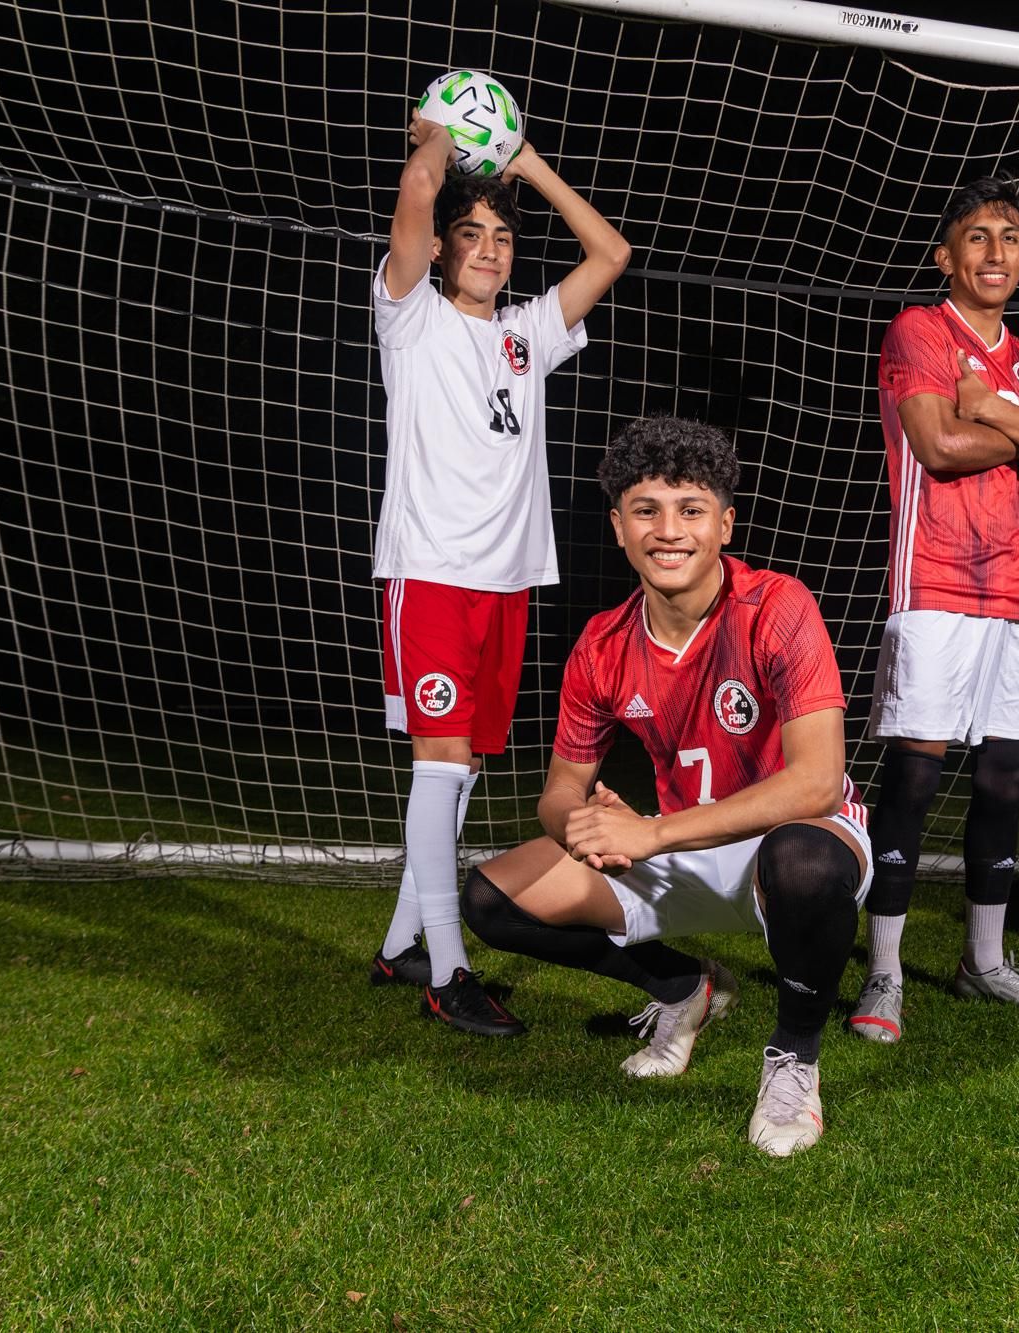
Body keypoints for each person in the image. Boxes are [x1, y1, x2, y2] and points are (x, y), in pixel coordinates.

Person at [459, 416, 871, 1158]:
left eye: (691, 509)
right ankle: (684, 988)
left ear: (725, 525)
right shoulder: (603, 643)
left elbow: (816, 782)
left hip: (799, 841)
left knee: (804, 862)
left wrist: (649, 832)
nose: (669, 530)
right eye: (646, 510)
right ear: (619, 527)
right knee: (492, 898)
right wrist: (582, 825)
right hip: (685, 845)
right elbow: (558, 790)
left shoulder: (778, 607)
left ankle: (793, 1059)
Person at [365, 109, 631, 1037]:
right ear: (441, 250)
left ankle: (401, 944)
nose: (487, 249)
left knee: (466, 767)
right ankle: (448, 971)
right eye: (470, 235)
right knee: (438, 765)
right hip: (432, 575)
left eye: (501, 238)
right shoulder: (410, 315)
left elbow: (610, 253)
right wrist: (438, 133)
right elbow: (418, 190)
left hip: (508, 582)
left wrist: (528, 164)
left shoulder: (526, 334)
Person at [848, 174, 1019, 1045]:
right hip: (935, 583)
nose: (997, 253)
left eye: (1011, 238)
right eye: (979, 237)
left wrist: (994, 408)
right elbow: (939, 444)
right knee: (916, 777)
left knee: (1005, 777)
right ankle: (884, 972)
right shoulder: (920, 329)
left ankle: (983, 962)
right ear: (946, 256)